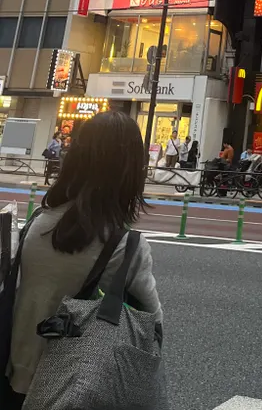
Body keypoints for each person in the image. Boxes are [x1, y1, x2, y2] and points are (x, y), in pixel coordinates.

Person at [4, 111, 162, 407]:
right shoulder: (125, 245)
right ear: (128, 171)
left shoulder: (38, 221)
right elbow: (152, 327)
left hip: (16, 373)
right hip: (73, 388)